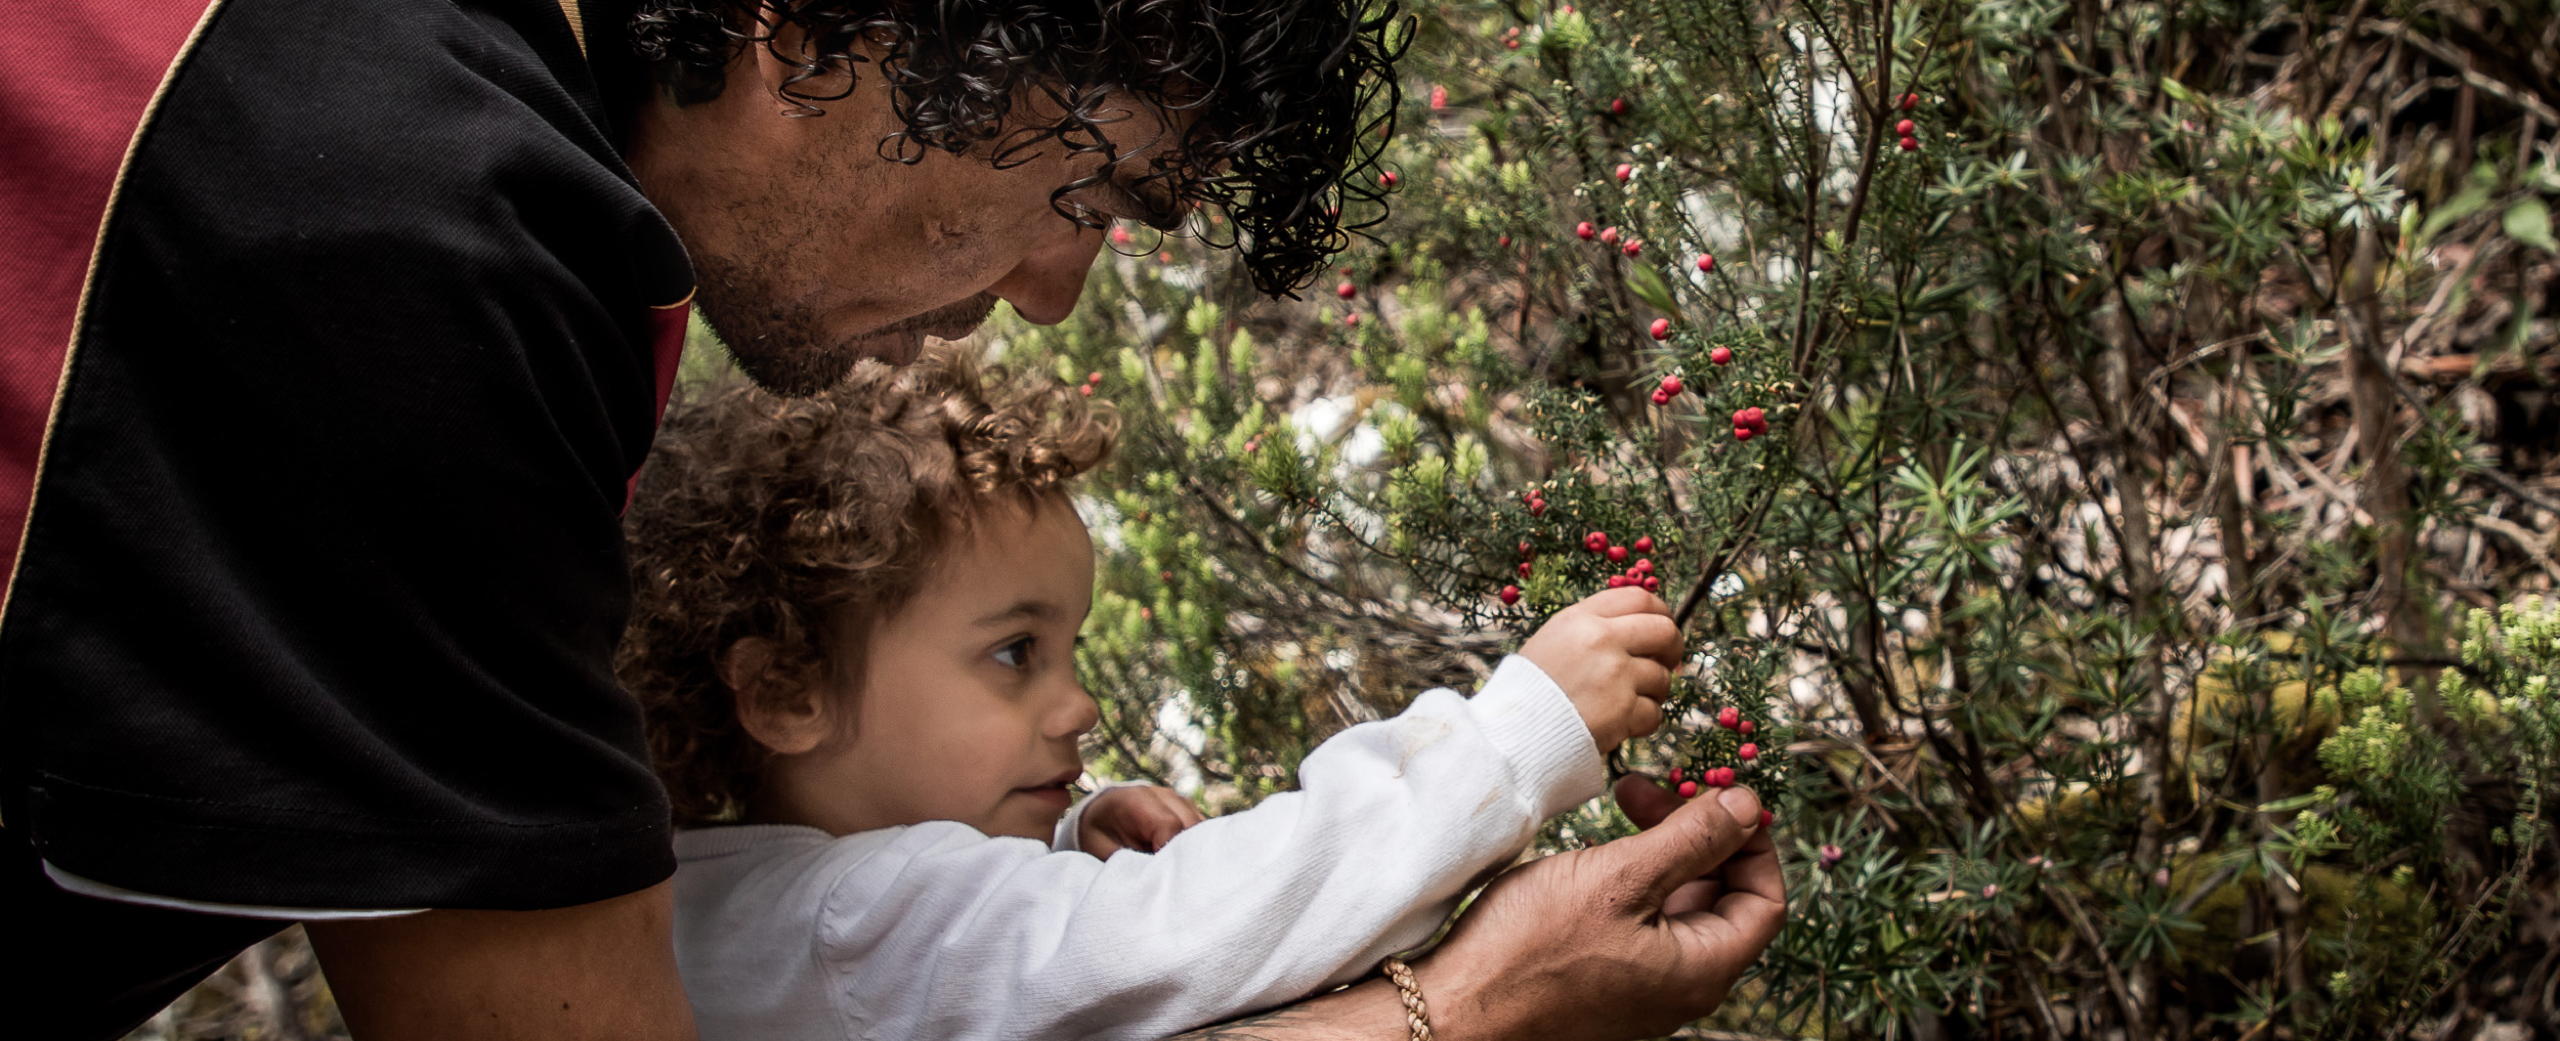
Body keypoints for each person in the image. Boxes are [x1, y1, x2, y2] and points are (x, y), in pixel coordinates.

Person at [0, 1, 1783, 1038]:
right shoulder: (411, 225)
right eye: (1080, 186)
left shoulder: (427, 131)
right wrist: (1455, 1013)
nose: (1062, 289)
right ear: (815, 29)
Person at [619, 351, 1716, 1040]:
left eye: (1073, 650)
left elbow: (969, 970)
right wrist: (1509, 738)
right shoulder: (852, 919)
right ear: (784, 692)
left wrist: (1057, 845)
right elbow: (1199, 928)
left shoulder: (694, 904)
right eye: (1014, 654)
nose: (1080, 706)